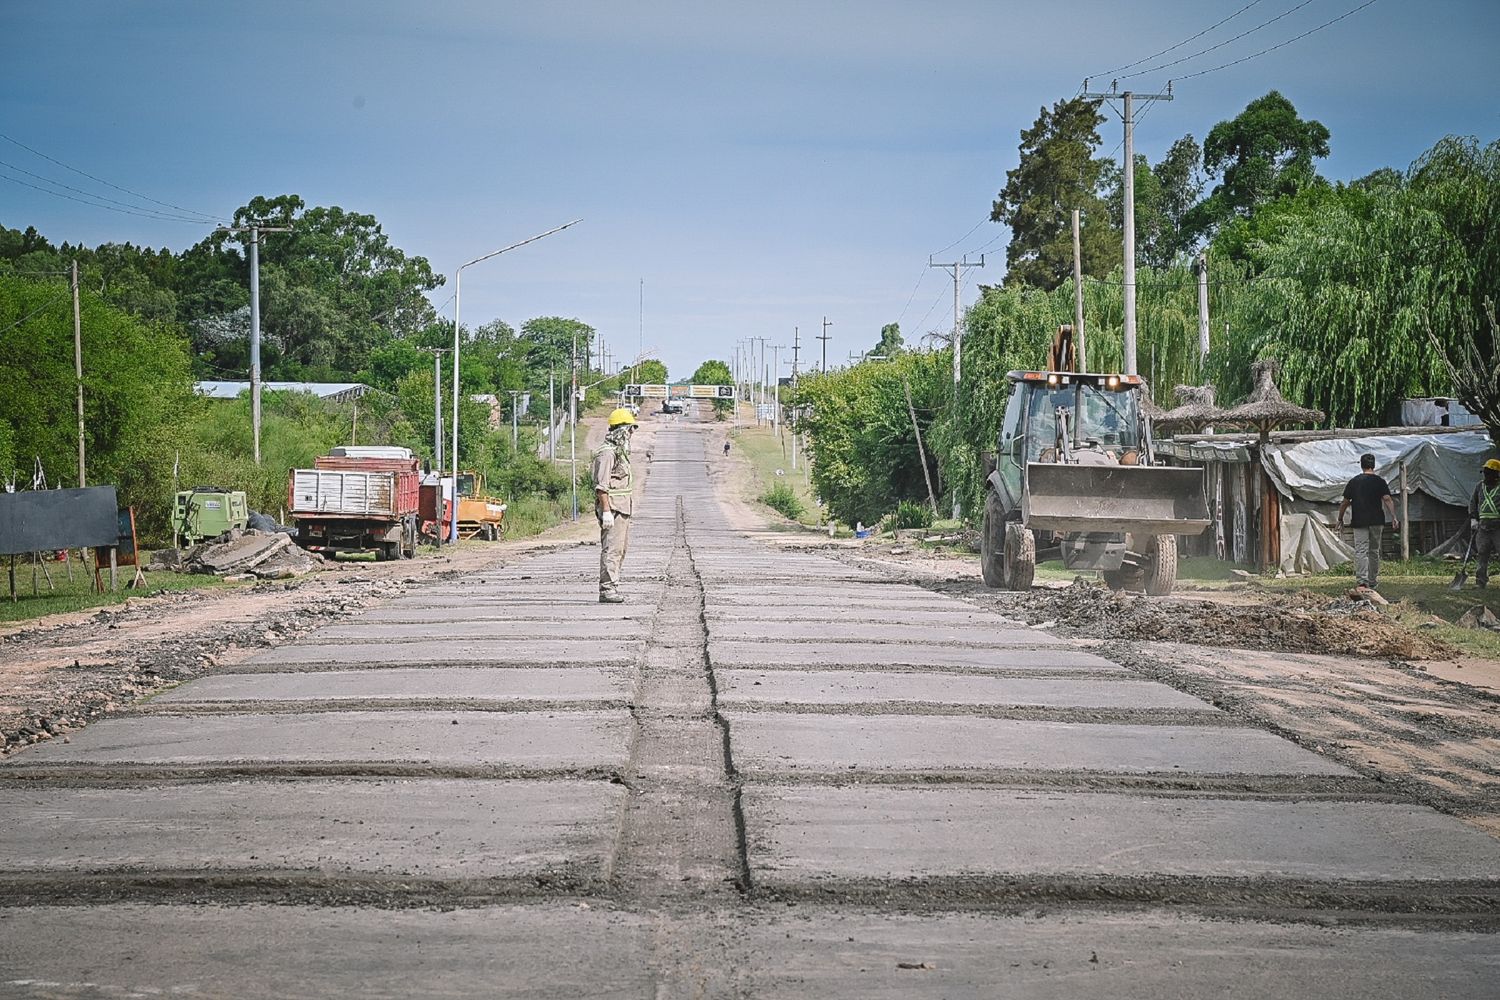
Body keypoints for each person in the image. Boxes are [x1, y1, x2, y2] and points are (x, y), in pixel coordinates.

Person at [1336, 452, 1400, 591]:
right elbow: (1387, 499)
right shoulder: (1380, 481)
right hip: (1377, 520)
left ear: (1362, 465)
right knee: (1374, 551)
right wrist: (1394, 516)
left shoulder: (1354, 482)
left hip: (1359, 521)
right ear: (1373, 465)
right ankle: (1372, 581)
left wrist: (1340, 518)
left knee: (1361, 550)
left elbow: (1345, 502)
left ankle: (1362, 582)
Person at [593, 408, 637, 604]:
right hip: (613, 509)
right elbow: (601, 486)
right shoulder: (607, 454)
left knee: (620, 550)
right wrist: (607, 512)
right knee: (611, 549)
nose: (631, 434)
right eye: (629, 430)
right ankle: (607, 590)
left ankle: (612, 586)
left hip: (622, 508)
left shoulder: (619, 452)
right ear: (621, 430)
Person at [1469, 458, 1500, 589]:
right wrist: (1473, 519)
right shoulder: (1479, 486)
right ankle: (1480, 582)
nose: (1486, 475)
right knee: (1482, 554)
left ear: (1497, 474)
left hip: (1498, 527)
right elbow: (1473, 502)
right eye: (1485, 472)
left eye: (1490, 473)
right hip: (1483, 527)